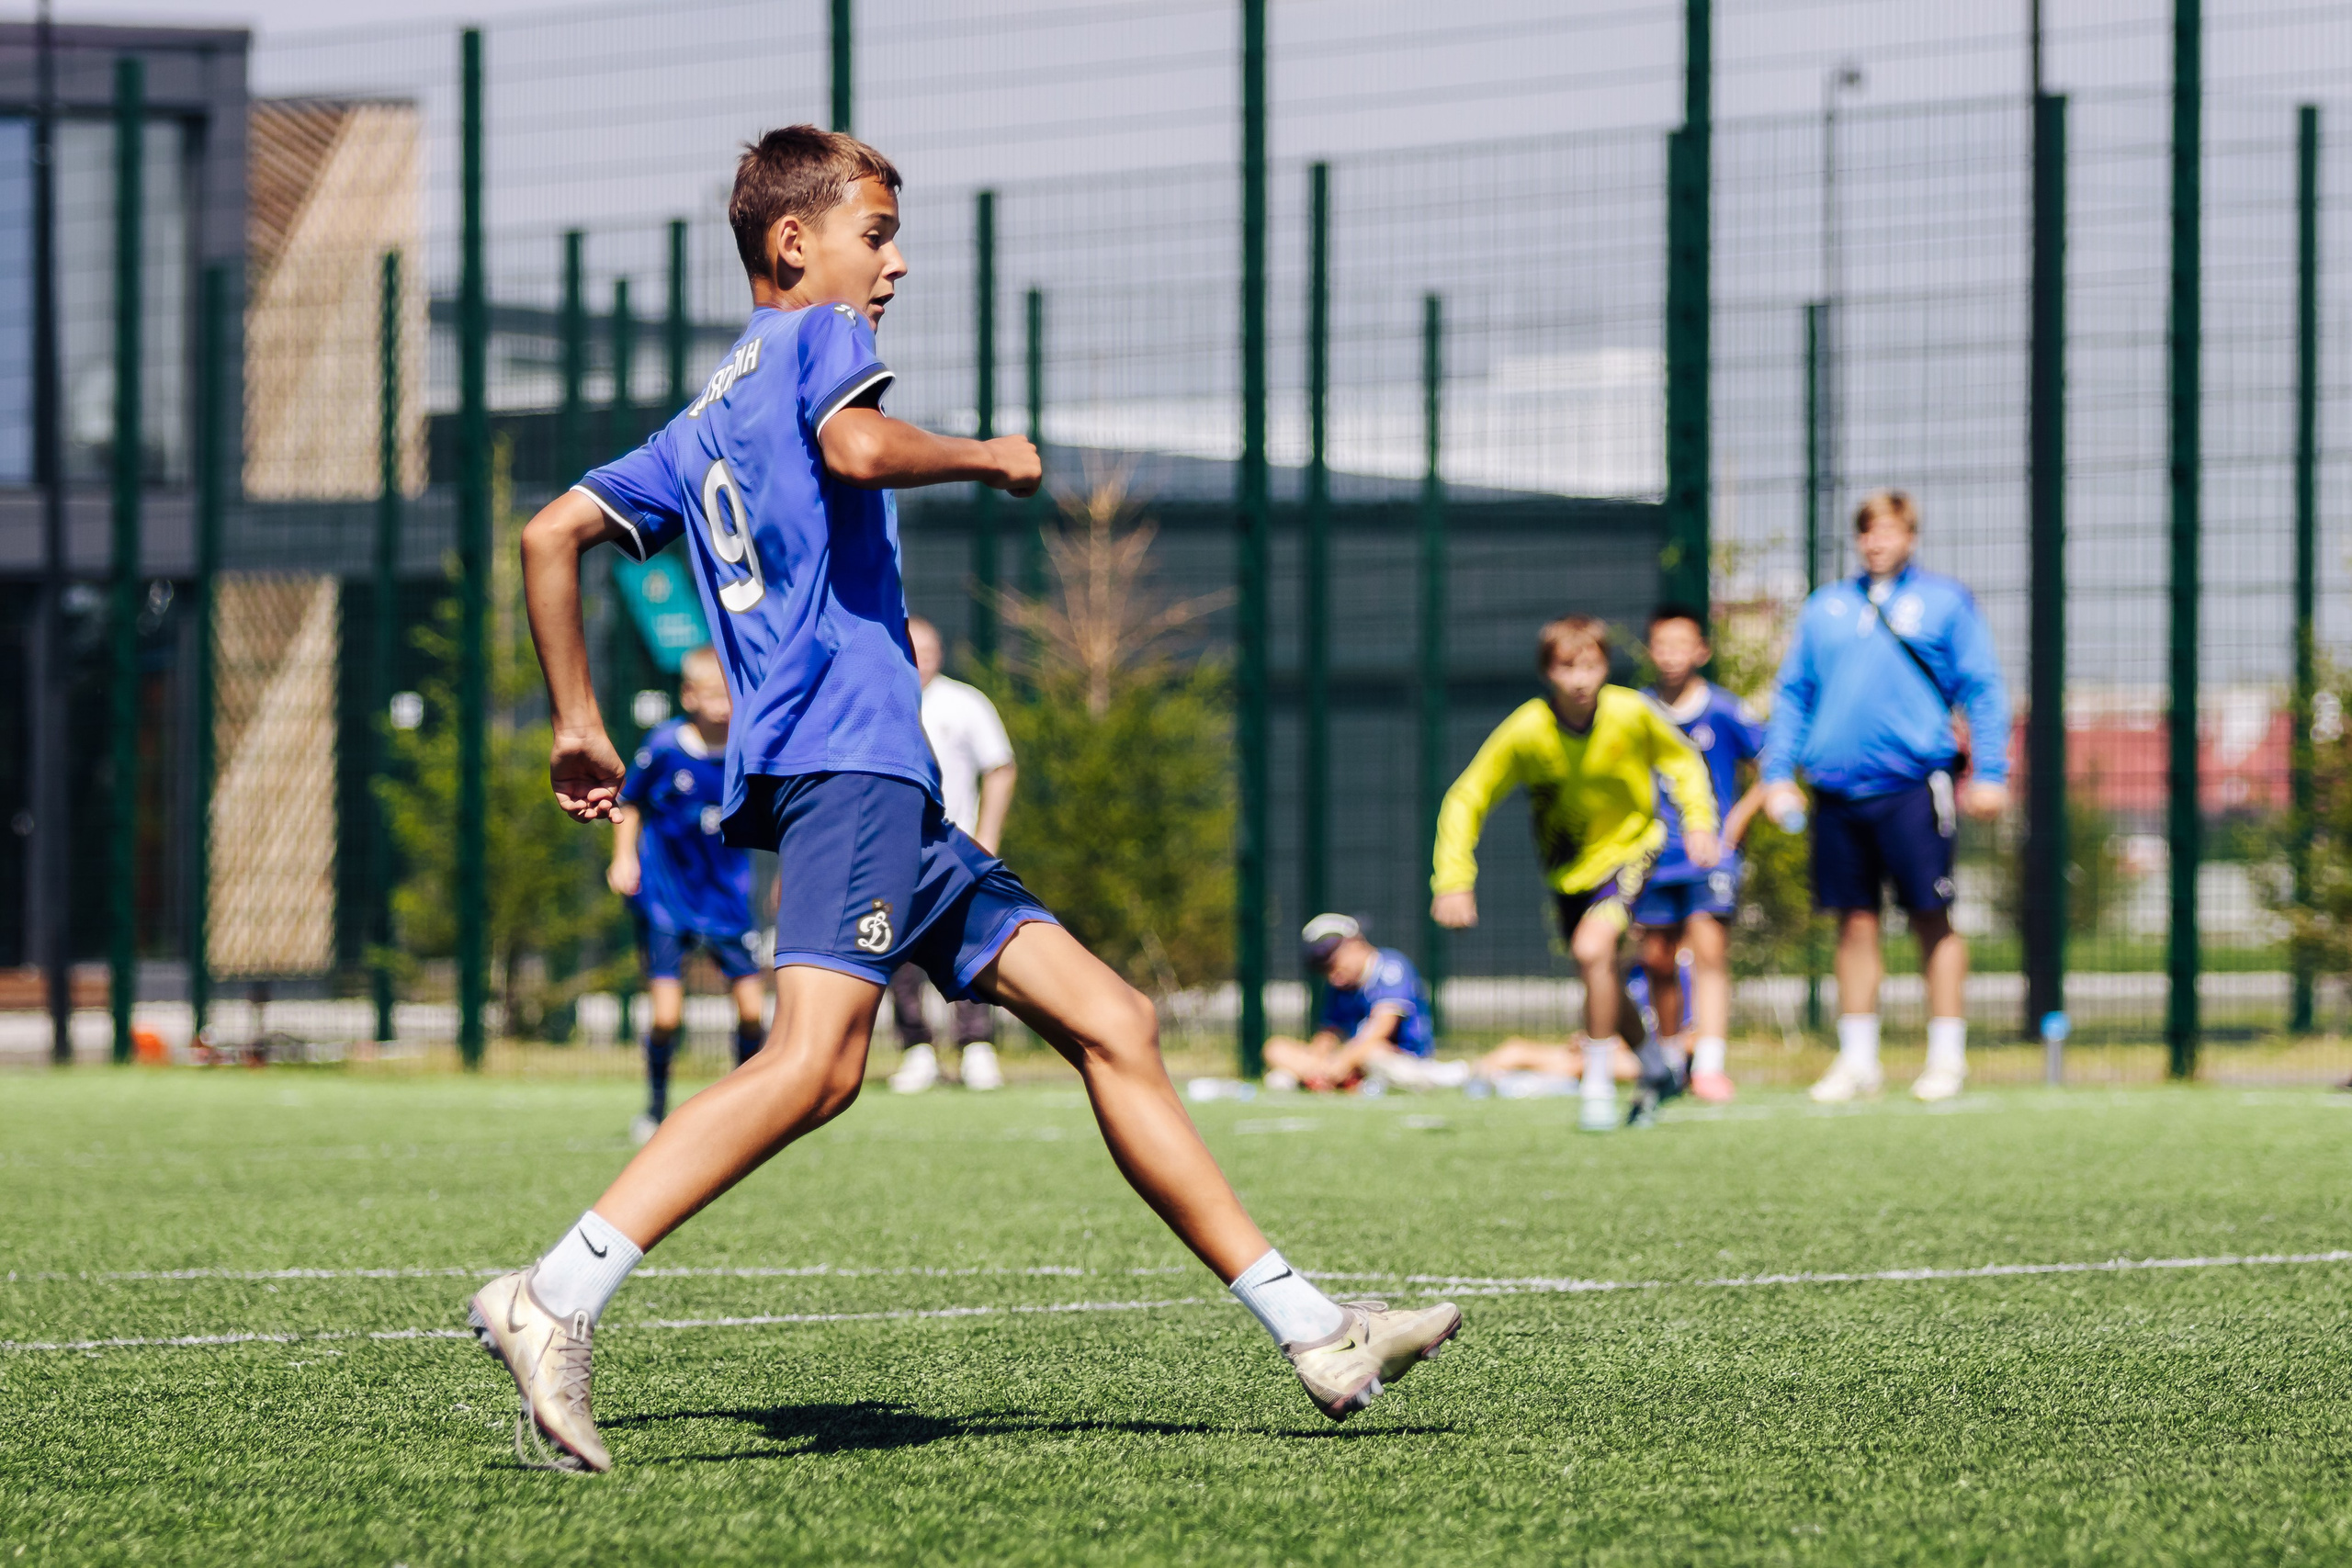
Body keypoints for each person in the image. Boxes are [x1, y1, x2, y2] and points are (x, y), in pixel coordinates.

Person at [469, 126, 1459, 1472]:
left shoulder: (698, 421)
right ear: (792, 245)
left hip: (884, 797)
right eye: (875, 232)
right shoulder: (813, 340)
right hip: (851, 763)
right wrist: (991, 453)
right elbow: (862, 447)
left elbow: (549, 533)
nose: (895, 260)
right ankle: (553, 1291)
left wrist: (579, 720)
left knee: (1114, 1018)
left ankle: (1319, 1332)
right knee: (815, 1066)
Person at [1759, 490, 2011, 1104]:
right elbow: (1794, 693)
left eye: (1889, 530)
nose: (1876, 541)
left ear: (1911, 537)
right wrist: (1775, 772)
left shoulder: (1945, 602)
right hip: (1837, 791)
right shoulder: (1825, 609)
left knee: (1931, 917)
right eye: (1867, 531)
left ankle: (1947, 1056)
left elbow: (1982, 686)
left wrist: (1992, 770)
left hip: (1915, 787)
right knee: (1854, 921)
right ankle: (1858, 1060)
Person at [1431, 615, 1719, 1132]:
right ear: (1547, 673)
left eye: (1591, 665)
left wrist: (1699, 823)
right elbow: (1466, 797)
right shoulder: (1528, 730)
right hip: (1568, 875)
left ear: (1607, 666)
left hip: (1632, 850)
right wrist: (1453, 877)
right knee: (1598, 969)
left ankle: (1597, 1091)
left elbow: (1683, 762)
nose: (1581, 678)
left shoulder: (1632, 713)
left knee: (1592, 950)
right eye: (1567, 667)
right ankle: (1657, 1068)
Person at [607, 645, 768, 1144]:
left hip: (727, 897)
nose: (722, 704)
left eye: (729, 693)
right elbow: (629, 802)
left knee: (752, 1010)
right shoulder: (663, 746)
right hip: (665, 896)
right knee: (666, 1015)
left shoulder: (751, 747)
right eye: (711, 693)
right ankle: (655, 1108)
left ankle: (746, 1110)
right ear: (689, 695)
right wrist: (624, 857)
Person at [1630, 605, 1769, 1104]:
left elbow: (1770, 764)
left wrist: (1735, 822)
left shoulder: (1726, 709)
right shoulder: (1635, 711)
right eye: (1661, 646)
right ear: (1650, 653)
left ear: (1701, 652)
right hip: (1650, 857)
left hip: (1711, 857)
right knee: (1657, 959)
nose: (1670, 656)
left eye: (1681, 645)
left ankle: (1710, 1064)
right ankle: (1669, 1057)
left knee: (1709, 951)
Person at [886, 615, 1016, 1094]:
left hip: (955, 852)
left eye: (931, 649)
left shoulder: (965, 702)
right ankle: (916, 1049)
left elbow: (1000, 768)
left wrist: (986, 838)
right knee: (898, 954)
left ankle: (977, 1047)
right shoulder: (881, 700)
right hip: (894, 854)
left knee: (972, 948)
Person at [1263, 914, 1464, 1092]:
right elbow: (1329, 1033)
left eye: (1332, 963)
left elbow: (1381, 1030)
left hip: (1396, 1058)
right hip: (1351, 1062)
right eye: (1322, 969)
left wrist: (1343, 1061)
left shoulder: (1391, 967)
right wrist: (1319, 1060)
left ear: (1354, 944)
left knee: (1372, 1054)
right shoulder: (1340, 985)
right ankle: (1326, 1079)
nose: (1331, 975)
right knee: (1275, 1048)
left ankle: (1432, 1078)